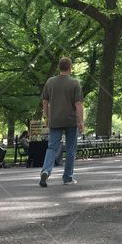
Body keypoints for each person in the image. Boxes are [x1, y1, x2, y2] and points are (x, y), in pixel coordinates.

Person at [39, 57, 84, 187]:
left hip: (55, 120)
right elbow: (78, 104)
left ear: (59, 67)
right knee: (70, 150)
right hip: (70, 120)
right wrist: (81, 121)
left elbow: (45, 102)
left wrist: (47, 117)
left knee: (51, 147)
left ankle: (46, 171)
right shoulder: (75, 83)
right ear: (70, 68)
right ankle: (67, 177)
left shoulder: (50, 82)